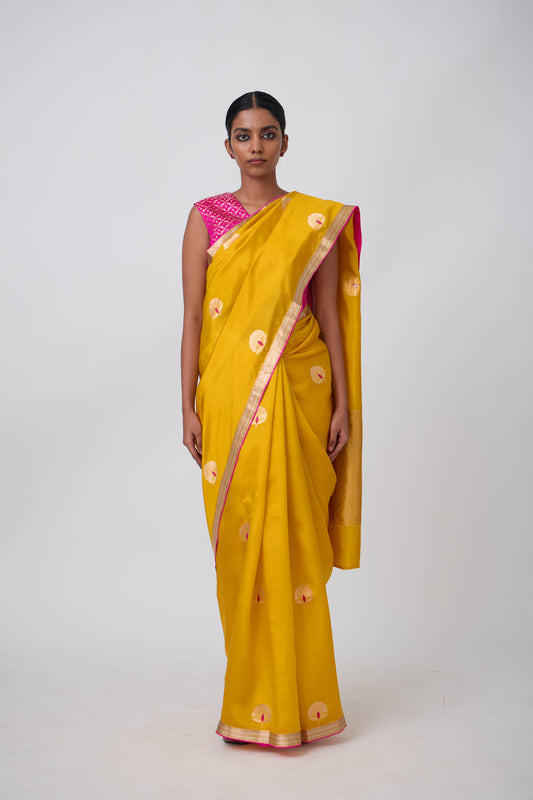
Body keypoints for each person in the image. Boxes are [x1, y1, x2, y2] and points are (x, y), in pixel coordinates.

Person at [181, 91, 362, 748]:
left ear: (285, 142)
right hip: (229, 395)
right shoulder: (207, 217)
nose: (255, 145)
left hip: (300, 389)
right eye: (242, 134)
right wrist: (186, 402)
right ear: (227, 145)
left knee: (295, 541)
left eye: (266, 133)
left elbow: (330, 317)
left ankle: (303, 704)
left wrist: (343, 403)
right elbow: (193, 316)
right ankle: (253, 698)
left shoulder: (314, 221)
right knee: (241, 547)